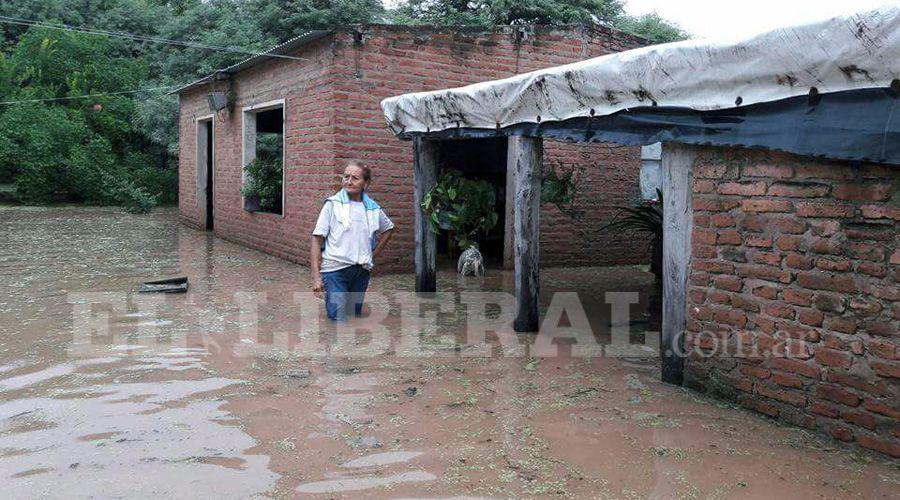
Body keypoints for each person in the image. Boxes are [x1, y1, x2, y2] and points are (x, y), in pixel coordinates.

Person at [310, 162, 394, 321]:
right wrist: (316, 277)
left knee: (354, 316)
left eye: (355, 178)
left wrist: (372, 254)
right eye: (346, 176)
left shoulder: (372, 208)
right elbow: (317, 239)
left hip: (361, 272)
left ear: (366, 183)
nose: (349, 181)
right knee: (339, 319)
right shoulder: (332, 205)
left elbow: (388, 229)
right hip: (335, 271)